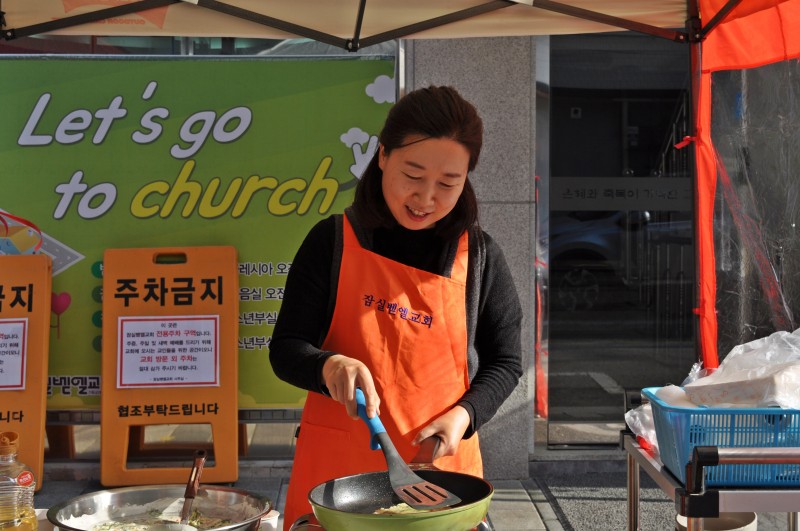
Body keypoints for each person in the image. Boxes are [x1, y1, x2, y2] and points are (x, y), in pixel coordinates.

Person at [269, 85, 523, 529]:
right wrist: (327, 367)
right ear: (383, 156)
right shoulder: (331, 243)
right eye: (413, 174)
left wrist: (464, 416)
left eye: (448, 183)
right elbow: (286, 348)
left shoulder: (479, 256)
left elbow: (506, 361)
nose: (426, 199)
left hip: (441, 484)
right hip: (337, 486)